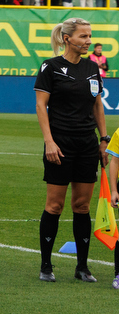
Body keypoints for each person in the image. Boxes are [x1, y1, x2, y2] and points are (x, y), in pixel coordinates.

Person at [34, 18, 108, 282]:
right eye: (83, 36)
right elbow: (41, 106)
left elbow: (97, 105)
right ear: (67, 39)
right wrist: (49, 141)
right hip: (60, 143)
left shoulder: (92, 67)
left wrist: (103, 139)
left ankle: (82, 267)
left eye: (89, 36)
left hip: (87, 144)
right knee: (55, 205)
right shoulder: (51, 66)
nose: (88, 41)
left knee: (82, 205)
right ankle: (46, 266)